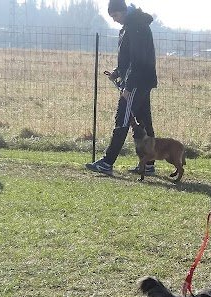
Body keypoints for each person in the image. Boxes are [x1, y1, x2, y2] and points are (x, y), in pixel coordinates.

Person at [86, 0, 157, 176]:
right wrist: (117, 72)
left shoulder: (134, 27)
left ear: (123, 11)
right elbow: (129, 59)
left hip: (136, 83)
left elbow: (137, 60)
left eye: (115, 15)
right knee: (144, 122)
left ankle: (107, 162)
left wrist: (128, 85)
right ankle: (148, 164)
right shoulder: (132, 25)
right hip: (143, 81)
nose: (114, 20)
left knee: (122, 120)